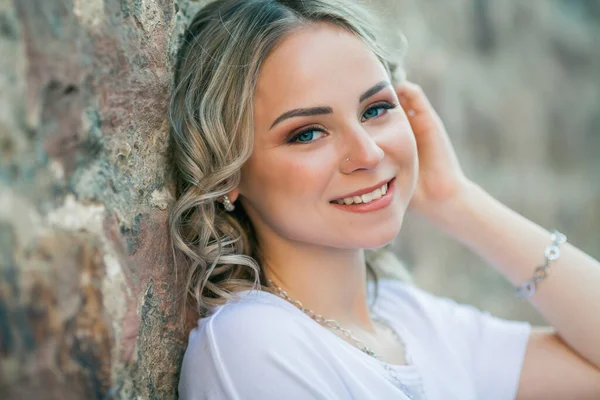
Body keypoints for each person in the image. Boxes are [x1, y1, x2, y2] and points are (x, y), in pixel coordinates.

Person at [167, 0, 600, 399]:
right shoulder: (255, 346)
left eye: (375, 109)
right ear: (227, 170)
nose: (369, 154)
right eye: (307, 133)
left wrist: (458, 201)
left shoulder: (409, 318)